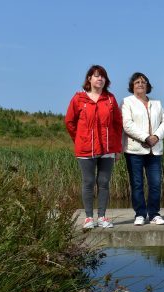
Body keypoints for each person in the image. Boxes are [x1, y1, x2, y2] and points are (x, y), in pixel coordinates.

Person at [65, 65, 123, 229]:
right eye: (96, 76)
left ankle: (102, 217)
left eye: (102, 76)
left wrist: (118, 148)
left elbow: (118, 125)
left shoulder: (110, 99)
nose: (100, 79)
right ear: (89, 79)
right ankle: (89, 218)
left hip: (107, 148)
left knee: (104, 182)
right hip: (85, 148)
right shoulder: (79, 99)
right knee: (88, 182)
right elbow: (69, 122)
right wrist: (79, 138)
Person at [121, 72, 164, 226]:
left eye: (143, 82)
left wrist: (155, 136)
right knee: (137, 183)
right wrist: (145, 137)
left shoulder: (157, 103)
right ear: (132, 86)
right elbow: (127, 124)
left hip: (154, 150)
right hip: (135, 150)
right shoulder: (127, 102)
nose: (140, 84)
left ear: (148, 85)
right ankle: (140, 214)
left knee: (155, 183)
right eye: (137, 82)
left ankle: (154, 214)